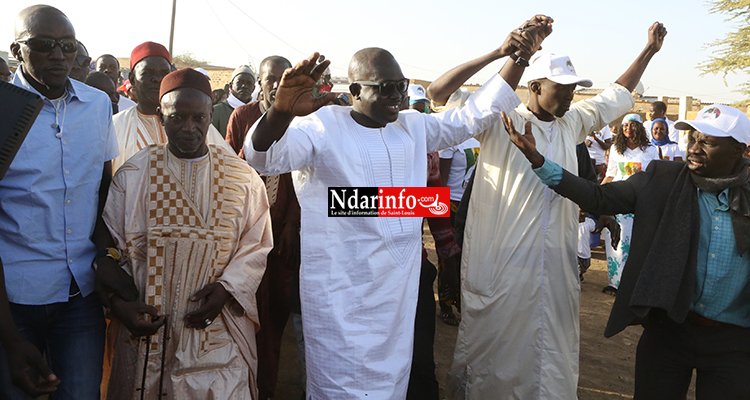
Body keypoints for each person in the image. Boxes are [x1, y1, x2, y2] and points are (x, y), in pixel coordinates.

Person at [243, 17, 550, 397]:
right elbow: (262, 158)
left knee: (391, 385)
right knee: (341, 388)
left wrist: (518, 56)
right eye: (386, 88)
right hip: (342, 294)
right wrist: (280, 110)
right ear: (354, 90)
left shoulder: (412, 127)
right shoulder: (322, 127)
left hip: (396, 295)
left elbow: (473, 116)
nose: (397, 97)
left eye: (401, 87)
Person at [425, 21, 666, 399]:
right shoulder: (498, 118)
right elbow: (438, 93)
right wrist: (508, 55)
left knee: (549, 355)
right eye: (562, 88)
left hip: (554, 265)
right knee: (494, 354)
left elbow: (617, 94)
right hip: (500, 264)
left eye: (573, 89)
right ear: (535, 86)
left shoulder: (572, 123)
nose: (571, 96)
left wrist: (649, 51)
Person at [504, 102, 750, 400]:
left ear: (739, 150)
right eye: (694, 138)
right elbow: (599, 196)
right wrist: (538, 160)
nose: (695, 149)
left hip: (735, 343)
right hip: (669, 331)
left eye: (707, 142)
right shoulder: (663, 179)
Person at [102, 68, 273, 399]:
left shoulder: (243, 179)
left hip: (216, 328)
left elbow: (256, 244)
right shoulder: (134, 174)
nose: (189, 128)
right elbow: (111, 246)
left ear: (211, 115)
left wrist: (227, 289)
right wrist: (120, 305)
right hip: (145, 326)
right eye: (177, 117)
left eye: (198, 117)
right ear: (162, 117)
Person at [0, 5, 123, 399]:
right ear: (17, 50)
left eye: (67, 45)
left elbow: (102, 190)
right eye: (43, 44)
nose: (58, 54)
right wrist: (9, 339)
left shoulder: (98, 106)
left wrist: (106, 256)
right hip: (14, 301)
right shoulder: (4, 111)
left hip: (79, 294)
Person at [226, 55, 301, 400]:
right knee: (247, 312)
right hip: (248, 234)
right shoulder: (243, 116)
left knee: (276, 315)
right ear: (260, 81)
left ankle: (266, 387)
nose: (275, 85)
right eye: (269, 79)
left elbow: (308, 178)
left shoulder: (302, 119)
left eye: (281, 79)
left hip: (285, 234)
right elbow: (230, 172)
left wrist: (291, 225)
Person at [111, 42, 233, 171]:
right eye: (148, 72)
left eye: (164, 73)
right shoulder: (116, 126)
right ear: (132, 78)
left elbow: (230, 169)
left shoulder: (197, 125)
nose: (157, 79)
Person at [601, 114, 660, 296]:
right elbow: (610, 175)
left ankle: (631, 284)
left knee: (635, 243)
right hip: (618, 200)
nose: (628, 128)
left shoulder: (651, 150)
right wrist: (598, 195)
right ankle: (615, 283)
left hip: (640, 203)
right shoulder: (616, 149)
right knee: (616, 243)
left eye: (632, 125)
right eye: (625, 125)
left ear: (640, 128)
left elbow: (655, 177)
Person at [212, 65, 256, 138]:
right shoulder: (216, 111)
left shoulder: (258, 111)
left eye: (249, 83)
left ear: (254, 88)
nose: (244, 86)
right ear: (231, 85)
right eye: (240, 82)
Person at [578, 207, 597, 282]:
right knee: (576, 268)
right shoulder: (571, 222)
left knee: (585, 266)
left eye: (585, 212)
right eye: (581, 211)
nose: (583, 214)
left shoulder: (589, 222)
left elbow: (594, 230)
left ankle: (580, 275)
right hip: (576, 252)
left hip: (586, 252)